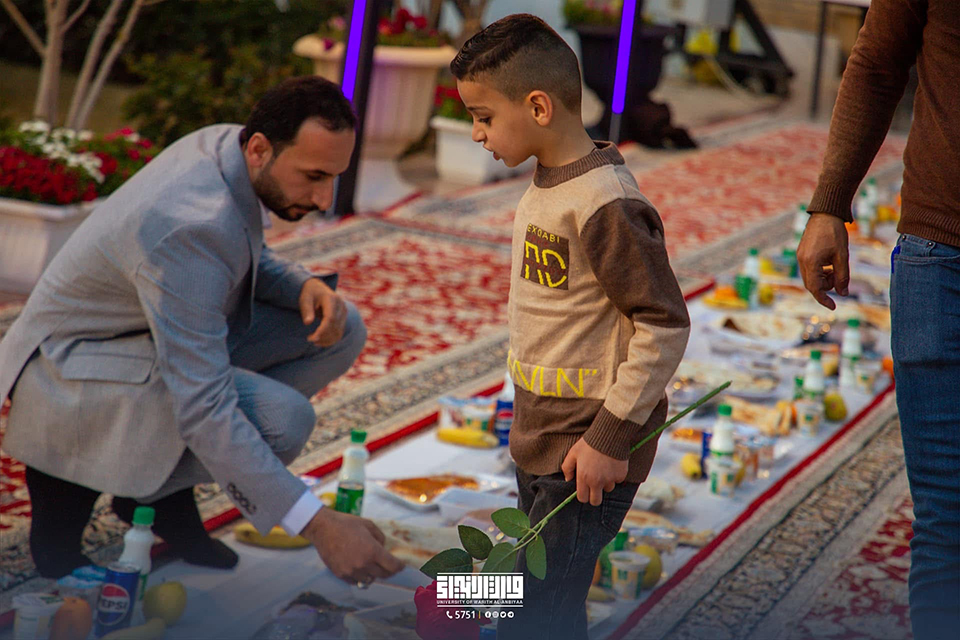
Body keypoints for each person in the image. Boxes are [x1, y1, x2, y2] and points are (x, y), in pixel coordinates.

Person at [0, 76, 404, 586]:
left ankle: (156, 490)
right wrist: (318, 525)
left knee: (340, 327)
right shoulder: (189, 224)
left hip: (141, 333)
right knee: (282, 420)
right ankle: (70, 485)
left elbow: (237, 252)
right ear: (260, 149)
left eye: (333, 179)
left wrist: (302, 284)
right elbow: (205, 405)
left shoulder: (230, 146)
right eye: (314, 177)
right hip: (71, 367)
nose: (324, 199)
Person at [450, 15, 690, 639]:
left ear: (537, 106)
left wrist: (611, 439)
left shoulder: (605, 202)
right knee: (536, 594)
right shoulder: (547, 185)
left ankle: (449, 610)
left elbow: (664, 324)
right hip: (541, 433)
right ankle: (444, 608)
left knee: (539, 607)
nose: (475, 133)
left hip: (587, 448)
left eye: (482, 116)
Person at [797, 2, 960, 638]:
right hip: (940, 254)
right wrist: (828, 205)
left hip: (935, 259)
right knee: (947, 520)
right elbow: (877, 61)